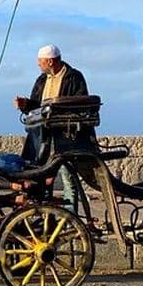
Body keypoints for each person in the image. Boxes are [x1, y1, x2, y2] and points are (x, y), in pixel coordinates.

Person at [13, 44, 89, 204]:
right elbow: (36, 107)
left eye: (40, 61)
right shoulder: (41, 80)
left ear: (50, 61)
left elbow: (81, 104)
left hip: (66, 137)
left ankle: (71, 219)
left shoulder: (74, 77)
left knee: (68, 179)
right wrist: (25, 104)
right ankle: (47, 218)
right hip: (43, 138)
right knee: (41, 177)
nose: (38, 64)